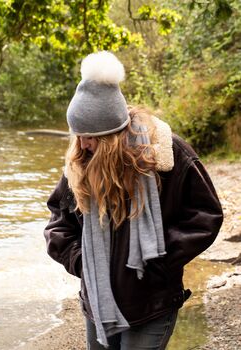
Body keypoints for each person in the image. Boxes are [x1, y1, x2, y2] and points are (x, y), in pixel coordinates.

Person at [43, 51, 223, 350]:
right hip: (98, 301)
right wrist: (82, 262)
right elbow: (58, 224)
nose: (83, 144)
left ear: (113, 134)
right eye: (78, 135)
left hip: (152, 301)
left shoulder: (167, 154)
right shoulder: (80, 162)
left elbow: (206, 215)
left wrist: (160, 262)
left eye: (91, 136)